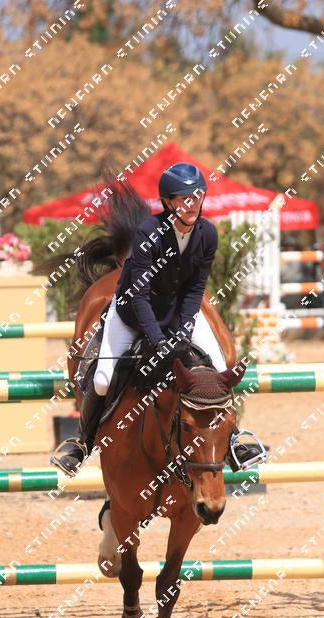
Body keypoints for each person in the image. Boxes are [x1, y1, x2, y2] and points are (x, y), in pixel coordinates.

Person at [52, 162, 241, 476]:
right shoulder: (149, 233)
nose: (192, 204)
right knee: (102, 380)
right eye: (184, 199)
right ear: (168, 202)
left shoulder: (207, 233)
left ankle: (234, 438)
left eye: (197, 196)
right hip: (132, 313)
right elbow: (138, 295)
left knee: (221, 372)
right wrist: (157, 340)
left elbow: (195, 289)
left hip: (178, 313)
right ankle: (82, 443)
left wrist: (184, 331)